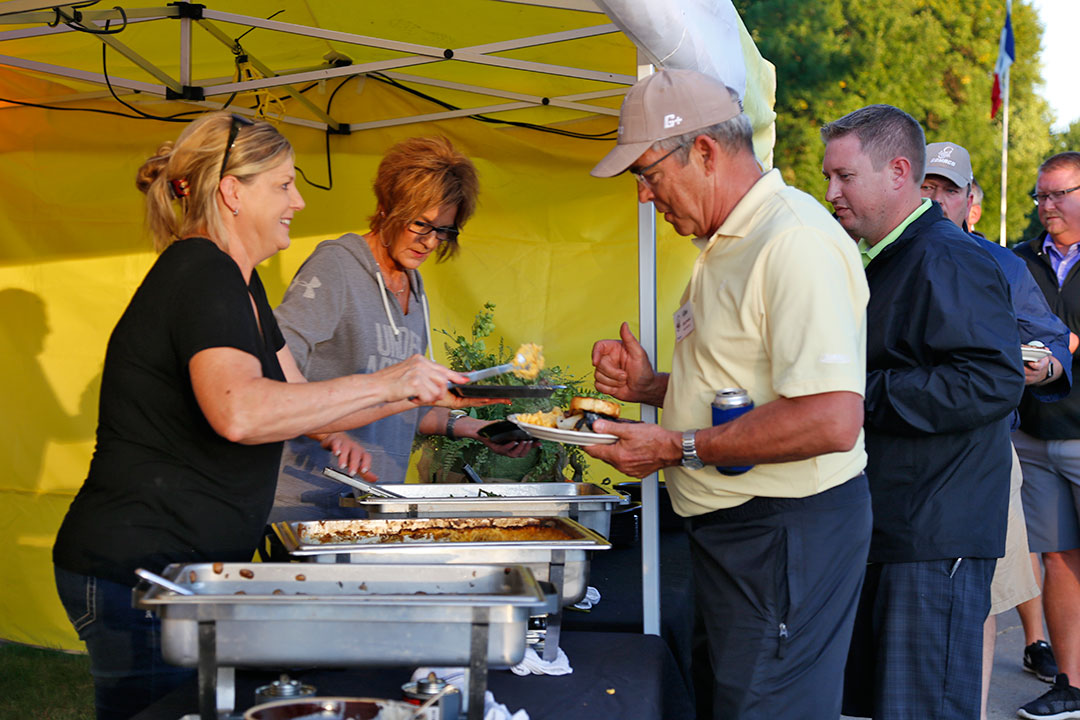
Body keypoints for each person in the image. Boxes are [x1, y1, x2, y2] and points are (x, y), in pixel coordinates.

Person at [51, 112, 474, 720]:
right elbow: (242, 412)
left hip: (183, 572)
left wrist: (355, 422)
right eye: (283, 185)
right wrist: (389, 378)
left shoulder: (241, 286)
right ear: (231, 192)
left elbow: (292, 389)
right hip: (136, 572)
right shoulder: (201, 272)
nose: (298, 202)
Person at [584, 68, 872, 719]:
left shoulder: (792, 239)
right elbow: (740, 386)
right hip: (736, 535)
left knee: (765, 709)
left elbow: (831, 418)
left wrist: (677, 446)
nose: (645, 197)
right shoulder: (723, 243)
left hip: (783, 535)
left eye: (649, 175)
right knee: (732, 704)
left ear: (706, 153)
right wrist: (652, 387)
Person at [820, 105, 1025, 720]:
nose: (830, 192)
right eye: (828, 176)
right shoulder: (890, 256)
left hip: (935, 534)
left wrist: (855, 396)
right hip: (896, 524)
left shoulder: (946, 256)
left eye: (844, 176)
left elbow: (992, 380)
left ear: (898, 172)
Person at [271, 136, 534, 520]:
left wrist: (478, 428)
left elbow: (402, 408)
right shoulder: (337, 266)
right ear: (386, 208)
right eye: (421, 225)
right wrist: (329, 432)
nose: (430, 243)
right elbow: (275, 366)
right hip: (303, 503)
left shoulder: (415, 286)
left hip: (374, 502)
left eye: (444, 231)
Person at [920, 140, 1073, 720]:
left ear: (969, 201)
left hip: (983, 452)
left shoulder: (1002, 265)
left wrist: (1047, 364)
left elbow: (1051, 340)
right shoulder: (867, 256)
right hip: (887, 453)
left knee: (981, 599)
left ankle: (975, 711)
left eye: (947, 189)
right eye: (927, 186)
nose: (935, 199)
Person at [1012, 151, 1080, 719]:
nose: (1045, 206)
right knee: (1056, 558)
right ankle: (1070, 683)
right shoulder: (1019, 259)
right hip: (1035, 435)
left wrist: (1068, 347)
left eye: (1057, 194)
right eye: (1040, 196)